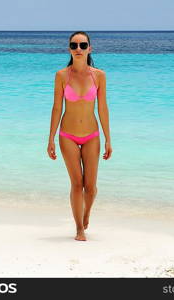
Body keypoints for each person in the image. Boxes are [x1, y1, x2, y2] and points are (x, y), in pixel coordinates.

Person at [47, 31, 113, 241]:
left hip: (92, 136)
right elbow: (57, 108)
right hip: (67, 135)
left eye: (82, 45)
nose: (78, 49)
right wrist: (50, 138)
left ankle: (86, 214)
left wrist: (108, 139)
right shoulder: (61, 75)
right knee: (77, 184)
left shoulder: (99, 75)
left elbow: (102, 108)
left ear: (89, 49)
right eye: (74, 45)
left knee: (91, 187)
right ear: (69, 49)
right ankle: (79, 229)